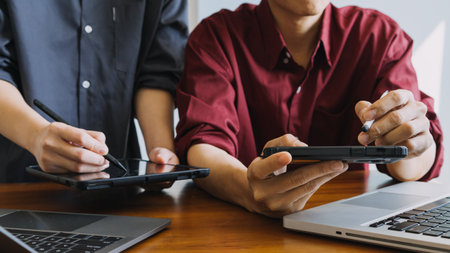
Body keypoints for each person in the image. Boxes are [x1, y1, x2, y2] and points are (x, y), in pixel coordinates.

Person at [175, 0, 444, 217]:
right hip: (238, 224)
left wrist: (414, 145)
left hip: (348, 222)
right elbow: (203, 144)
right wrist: (247, 190)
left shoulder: (380, 37)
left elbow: (412, 163)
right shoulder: (216, 36)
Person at [0, 0, 187, 182]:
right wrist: (35, 136)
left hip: (119, 189)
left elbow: (158, 73)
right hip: (18, 185)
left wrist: (161, 155)